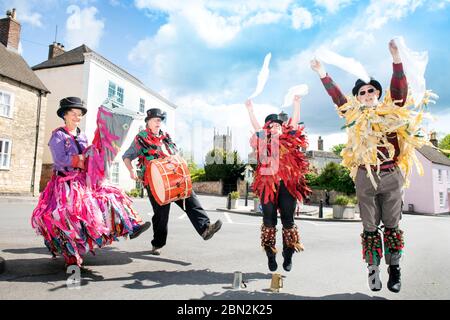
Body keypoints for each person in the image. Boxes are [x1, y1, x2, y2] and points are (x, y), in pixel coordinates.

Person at [311, 40, 407, 292]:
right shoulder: (353, 115)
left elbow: (399, 91)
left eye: (371, 91)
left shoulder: (390, 112)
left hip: (390, 174)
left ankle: (394, 269)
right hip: (365, 176)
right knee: (369, 225)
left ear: (378, 94)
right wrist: (323, 73)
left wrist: (396, 58)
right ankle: (373, 270)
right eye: (362, 92)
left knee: (392, 224)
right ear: (358, 98)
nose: (366, 95)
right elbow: (338, 97)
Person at [31, 97, 150, 267]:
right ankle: (71, 257)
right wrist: (82, 158)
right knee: (70, 216)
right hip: (64, 184)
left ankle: (130, 226)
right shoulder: (58, 135)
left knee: (111, 195)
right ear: (65, 115)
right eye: (73, 113)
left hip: (83, 180)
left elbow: (88, 158)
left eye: (79, 114)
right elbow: (60, 159)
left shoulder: (82, 135)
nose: (77, 117)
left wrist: (94, 156)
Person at [122, 108, 222, 256]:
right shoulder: (140, 138)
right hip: (154, 181)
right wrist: (131, 170)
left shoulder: (165, 137)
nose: (158, 122)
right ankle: (158, 243)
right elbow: (127, 156)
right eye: (156, 119)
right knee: (161, 214)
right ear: (148, 122)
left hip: (173, 177)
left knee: (190, 197)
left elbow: (175, 154)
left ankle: (205, 229)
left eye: (160, 120)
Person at [246, 95, 310, 272]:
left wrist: (296, 104)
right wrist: (250, 110)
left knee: (288, 221)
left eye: (277, 125)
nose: (274, 127)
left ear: (283, 128)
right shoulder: (263, 142)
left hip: (287, 186)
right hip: (267, 187)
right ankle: (270, 254)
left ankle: (288, 254)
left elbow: (295, 123)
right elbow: (256, 127)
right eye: (271, 125)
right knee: (268, 221)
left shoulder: (289, 140)